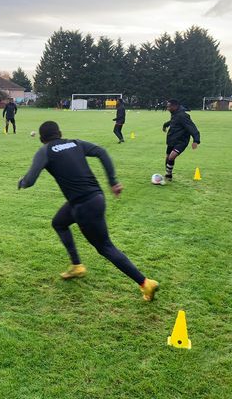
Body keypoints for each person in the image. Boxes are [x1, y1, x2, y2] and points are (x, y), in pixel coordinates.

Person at [17, 121, 159, 301]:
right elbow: (101, 151)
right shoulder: (74, 143)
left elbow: (30, 180)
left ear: (41, 139)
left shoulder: (45, 151)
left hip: (84, 206)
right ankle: (77, 266)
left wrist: (21, 182)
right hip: (95, 198)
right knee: (59, 223)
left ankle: (145, 283)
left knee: (105, 247)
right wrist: (113, 181)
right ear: (60, 133)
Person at [162, 99, 201, 182]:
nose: (168, 108)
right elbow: (173, 121)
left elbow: (192, 127)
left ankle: (168, 175)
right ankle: (169, 174)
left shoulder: (183, 116)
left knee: (172, 156)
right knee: (168, 157)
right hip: (172, 139)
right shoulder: (175, 114)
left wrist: (196, 140)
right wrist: (165, 125)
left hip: (181, 141)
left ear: (175, 106)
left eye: (169, 107)